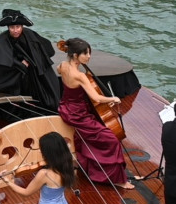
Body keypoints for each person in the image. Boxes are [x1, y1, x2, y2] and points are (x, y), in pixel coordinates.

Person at [57, 38, 134, 190]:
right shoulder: (80, 76)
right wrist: (113, 98)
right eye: (85, 53)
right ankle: (117, 179)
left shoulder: (62, 66)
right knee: (111, 139)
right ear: (75, 55)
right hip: (78, 113)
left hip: (66, 108)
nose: (89, 56)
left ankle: (91, 166)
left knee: (91, 137)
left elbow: (65, 80)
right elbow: (96, 98)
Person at [0, 9, 60, 111]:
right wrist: (18, 64)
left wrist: (28, 59)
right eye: (12, 27)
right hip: (12, 69)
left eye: (18, 27)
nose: (15, 30)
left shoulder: (30, 35)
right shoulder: (1, 40)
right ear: (8, 27)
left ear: (22, 26)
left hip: (31, 67)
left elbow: (44, 51)